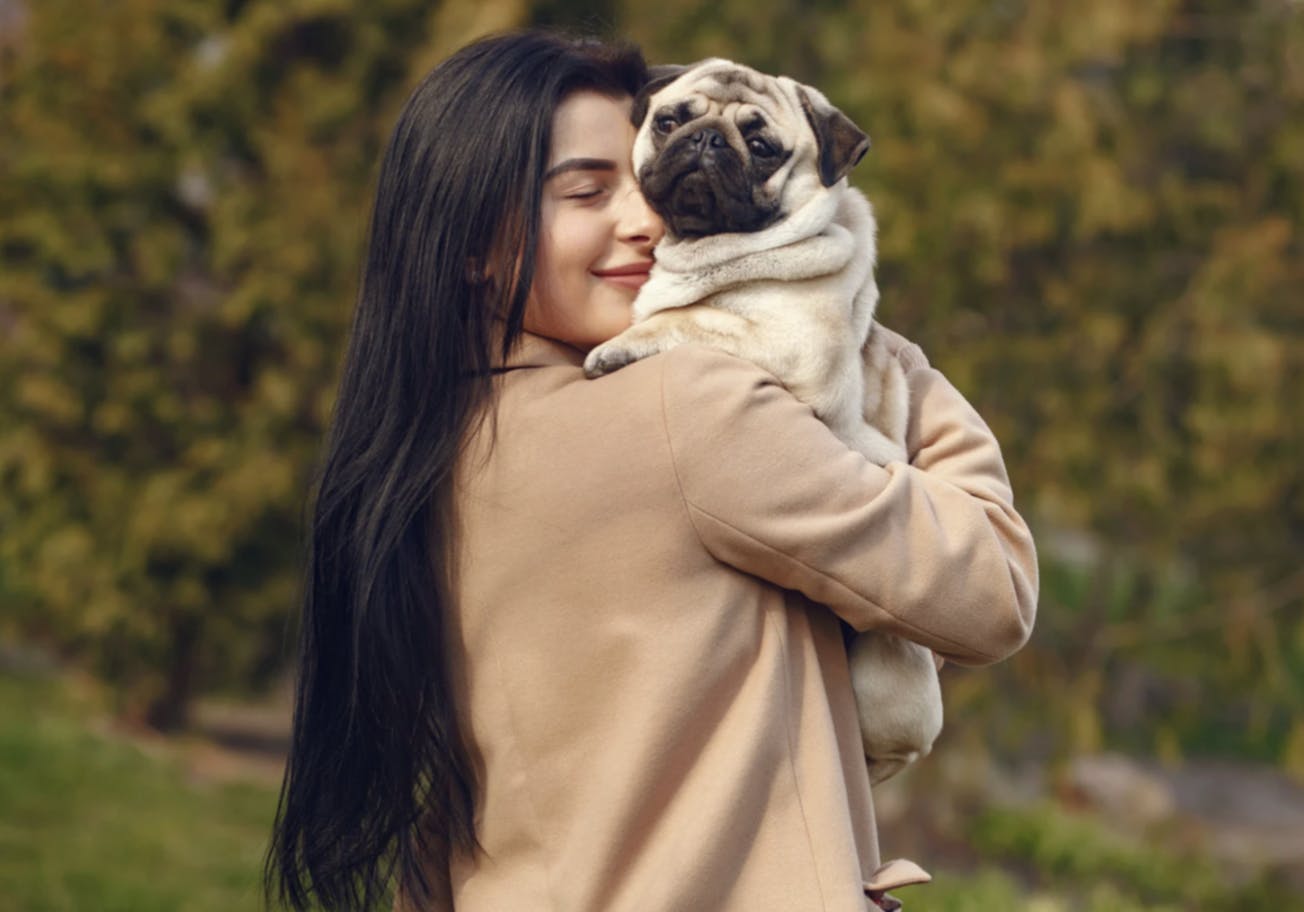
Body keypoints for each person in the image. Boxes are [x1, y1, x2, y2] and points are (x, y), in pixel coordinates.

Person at [266, 30, 1038, 912]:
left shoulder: (425, 448)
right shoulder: (688, 408)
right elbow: (994, 588)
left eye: (639, 181)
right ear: (471, 242)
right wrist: (852, 323)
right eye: (587, 193)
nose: (645, 220)